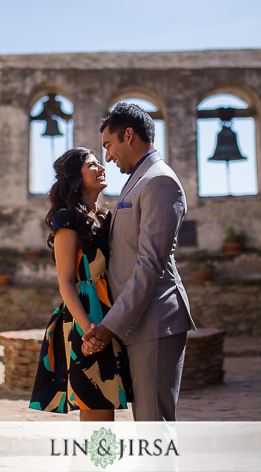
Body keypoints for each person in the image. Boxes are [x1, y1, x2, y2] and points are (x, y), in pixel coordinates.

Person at [82, 102, 196, 421]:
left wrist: (109, 326)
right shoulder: (138, 179)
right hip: (137, 323)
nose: (107, 157)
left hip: (154, 322)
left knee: (153, 426)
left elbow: (149, 265)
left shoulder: (160, 181)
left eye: (109, 145)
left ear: (128, 135)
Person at [28, 147, 133, 420]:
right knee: (97, 407)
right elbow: (65, 281)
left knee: (106, 405)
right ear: (76, 176)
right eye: (92, 164)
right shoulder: (66, 218)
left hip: (112, 314)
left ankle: (100, 462)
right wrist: (89, 330)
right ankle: (99, 462)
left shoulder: (107, 218)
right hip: (85, 318)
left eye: (101, 163)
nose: (101, 168)